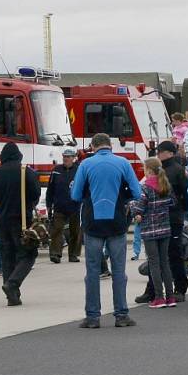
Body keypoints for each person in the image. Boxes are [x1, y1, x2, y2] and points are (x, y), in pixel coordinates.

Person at [71, 133, 142, 328]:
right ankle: (121, 314)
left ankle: (92, 317)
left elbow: (76, 195)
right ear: (110, 145)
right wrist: (124, 196)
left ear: (93, 146)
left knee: (92, 271)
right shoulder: (123, 163)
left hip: (92, 222)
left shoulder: (85, 165)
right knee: (119, 271)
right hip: (117, 222)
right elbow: (137, 192)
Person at [135, 140, 188, 303]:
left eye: (161, 151)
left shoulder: (177, 170)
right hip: (161, 218)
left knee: (173, 254)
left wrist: (180, 211)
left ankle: (179, 287)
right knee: (156, 257)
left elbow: (184, 195)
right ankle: (153, 290)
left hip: (172, 218)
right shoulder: (160, 171)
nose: (158, 153)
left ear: (170, 153)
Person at [0, 142, 41, 306]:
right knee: (28, 254)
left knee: (7, 256)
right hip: (22, 221)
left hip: (2, 221)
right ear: (19, 156)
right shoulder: (27, 172)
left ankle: (12, 296)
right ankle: (12, 284)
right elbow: (35, 194)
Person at [132, 158, 175, 308]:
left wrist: (131, 206)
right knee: (165, 263)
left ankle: (159, 297)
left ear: (149, 170)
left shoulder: (145, 188)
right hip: (165, 229)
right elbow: (172, 202)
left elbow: (139, 209)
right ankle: (170, 296)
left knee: (154, 263)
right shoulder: (166, 185)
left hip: (150, 230)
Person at [46, 147, 82, 263]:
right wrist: (48, 204)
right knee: (56, 230)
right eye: (64, 157)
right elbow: (50, 189)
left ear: (73, 158)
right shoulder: (56, 170)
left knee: (75, 231)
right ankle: (55, 254)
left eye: (68, 157)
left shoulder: (79, 170)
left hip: (75, 206)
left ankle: (73, 254)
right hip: (59, 206)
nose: (66, 159)